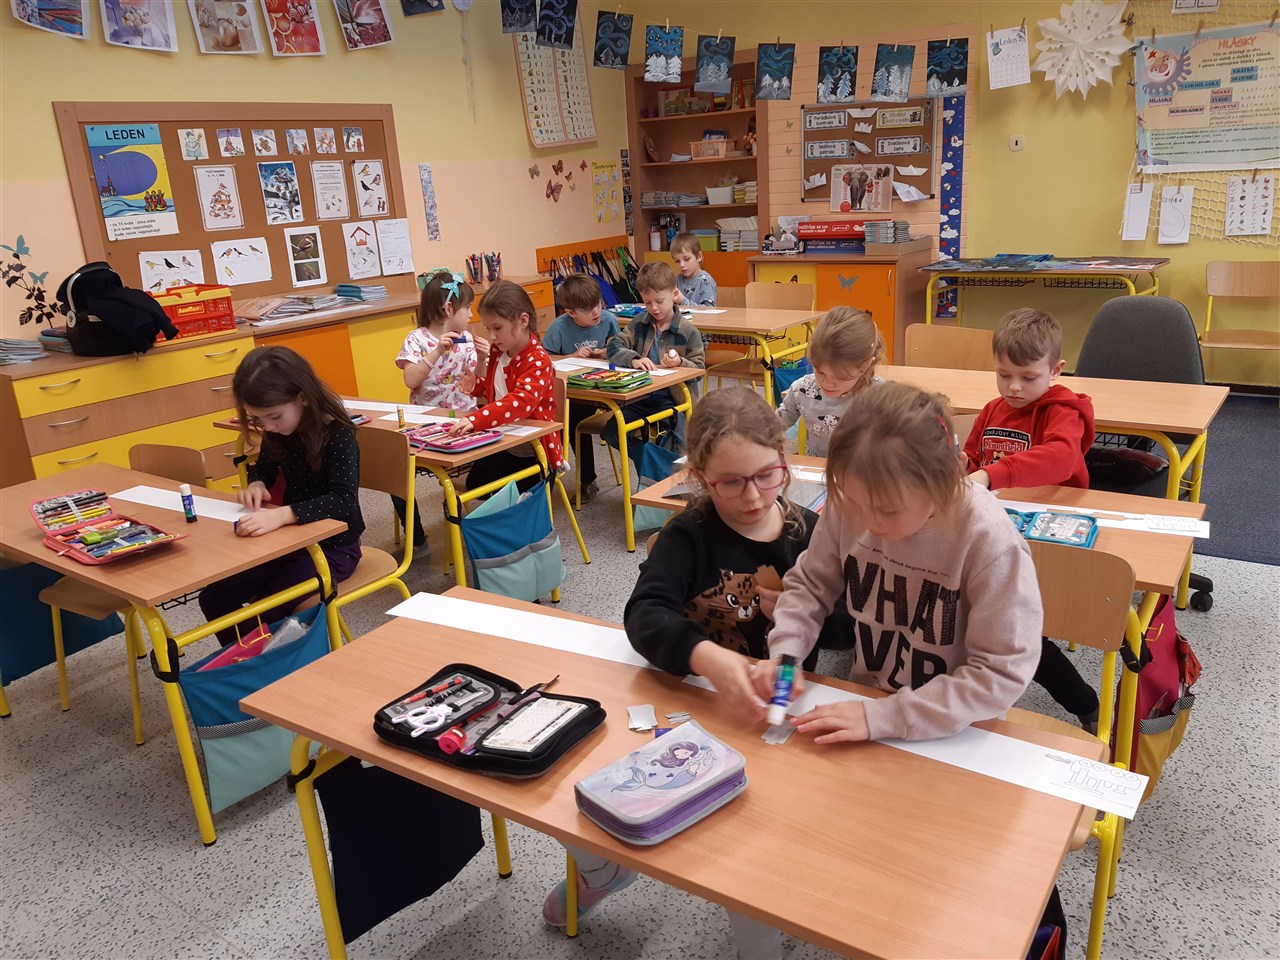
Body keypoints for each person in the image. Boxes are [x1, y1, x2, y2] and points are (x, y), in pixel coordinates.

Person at [541, 387, 848, 955]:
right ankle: (605, 869)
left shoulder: (809, 533)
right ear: (702, 477)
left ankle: (759, 932)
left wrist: (806, 614)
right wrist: (710, 658)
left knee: (752, 857)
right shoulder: (690, 534)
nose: (752, 496)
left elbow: (844, 633)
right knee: (587, 784)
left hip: (773, 709)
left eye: (767, 476)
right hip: (691, 706)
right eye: (730, 482)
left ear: (784, 459)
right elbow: (644, 615)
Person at [963, 307, 1100, 730]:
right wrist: (960, 465)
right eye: (1004, 374)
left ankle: (1086, 705)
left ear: (1056, 370)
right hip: (996, 533)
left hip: (1048, 536)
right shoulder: (992, 409)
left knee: (1020, 630)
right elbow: (973, 457)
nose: (1014, 387)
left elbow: (1061, 457)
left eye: (1028, 377)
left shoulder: (1063, 411)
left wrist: (991, 474)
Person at [199, 346, 364, 646]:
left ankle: (262, 659)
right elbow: (263, 467)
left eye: (274, 416)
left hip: (336, 549)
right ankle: (247, 658)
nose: (268, 426)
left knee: (262, 611)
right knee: (214, 598)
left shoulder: (338, 434)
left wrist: (282, 515)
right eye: (259, 418)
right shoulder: (278, 431)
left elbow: (343, 500)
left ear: (303, 397)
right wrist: (257, 484)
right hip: (289, 542)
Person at [391, 268, 488, 553]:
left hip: (463, 423)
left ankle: (460, 516)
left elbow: (478, 385)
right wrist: (436, 352)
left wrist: (483, 358)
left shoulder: (467, 339)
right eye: (467, 308)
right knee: (394, 470)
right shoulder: (417, 339)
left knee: (475, 471)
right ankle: (416, 536)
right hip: (424, 426)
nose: (470, 315)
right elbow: (411, 380)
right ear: (448, 309)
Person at [445, 280, 564, 492]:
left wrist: (476, 419)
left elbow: (519, 402)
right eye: (488, 328)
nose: (492, 336)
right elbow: (500, 390)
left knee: (514, 501)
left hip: (533, 452)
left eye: (497, 328)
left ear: (523, 321)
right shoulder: (499, 352)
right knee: (476, 485)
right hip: (504, 441)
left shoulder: (538, 360)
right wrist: (477, 385)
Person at [604, 261, 705, 459]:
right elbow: (613, 346)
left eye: (659, 301)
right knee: (612, 432)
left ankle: (659, 463)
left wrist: (680, 363)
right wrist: (633, 359)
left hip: (674, 398)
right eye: (648, 302)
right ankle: (652, 461)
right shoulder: (639, 324)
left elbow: (699, 369)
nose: (654, 308)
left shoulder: (688, 331)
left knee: (677, 445)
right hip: (641, 395)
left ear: (674, 295)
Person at [541, 274, 622, 503]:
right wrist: (571, 356)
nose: (596, 312)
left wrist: (607, 352)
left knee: (576, 420)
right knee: (561, 420)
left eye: (598, 304)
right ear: (570, 312)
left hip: (603, 389)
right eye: (587, 309)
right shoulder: (559, 327)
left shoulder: (608, 320)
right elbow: (545, 360)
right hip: (572, 392)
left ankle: (587, 480)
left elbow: (621, 349)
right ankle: (549, 474)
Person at [775, 306, 884, 456]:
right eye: (820, 372)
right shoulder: (803, 390)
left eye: (840, 377)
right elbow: (774, 427)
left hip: (861, 469)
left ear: (866, 365)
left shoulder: (881, 399)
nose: (827, 383)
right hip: (817, 467)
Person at [669, 231, 718, 306]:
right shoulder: (677, 280)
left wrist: (683, 301)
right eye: (677, 261)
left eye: (686, 259)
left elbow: (708, 309)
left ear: (699, 257)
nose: (681, 265)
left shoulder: (706, 281)